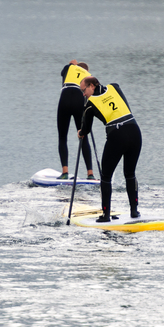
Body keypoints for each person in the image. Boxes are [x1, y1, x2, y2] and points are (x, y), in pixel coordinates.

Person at [77, 76, 141, 222]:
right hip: (134, 131)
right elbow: (125, 106)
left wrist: (80, 133)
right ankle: (134, 212)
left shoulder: (90, 104)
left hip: (117, 135)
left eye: (84, 90)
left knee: (105, 176)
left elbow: (86, 129)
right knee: (130, 173)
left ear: (92, 86)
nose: (83, 94)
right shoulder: (114, 87)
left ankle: (105, 215)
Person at [57, 60, 95, 180]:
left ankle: (65, 173)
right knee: (83, 136)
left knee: (62, 137)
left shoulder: (68, 69)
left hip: (65, 97)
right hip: (79, 100)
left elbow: (62, 72)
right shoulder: (89, 77)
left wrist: (70, 64)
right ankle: (90, 174)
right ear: (87, 71)